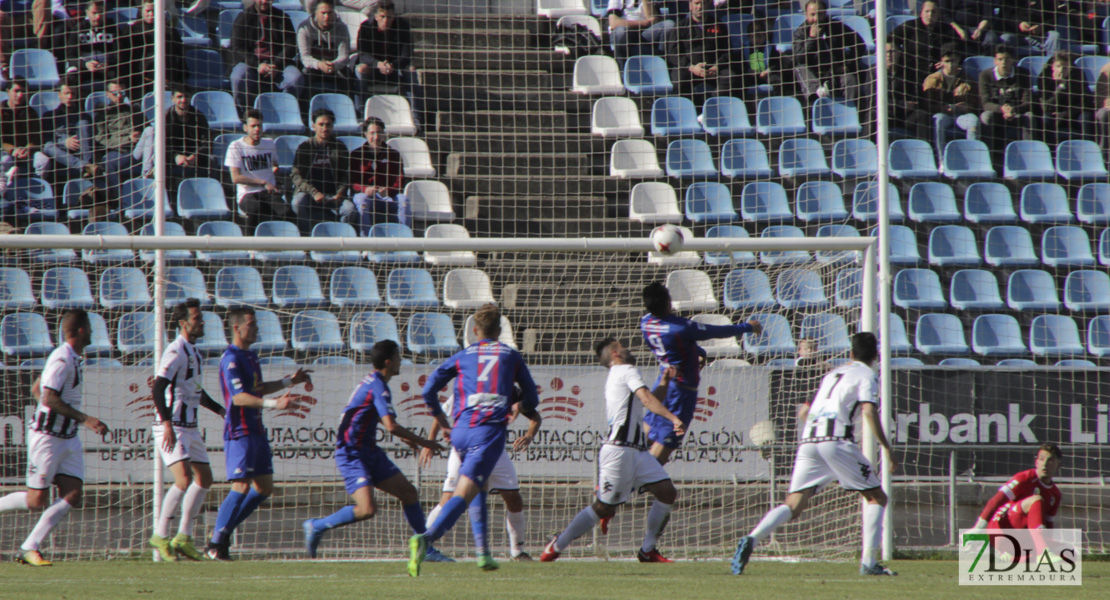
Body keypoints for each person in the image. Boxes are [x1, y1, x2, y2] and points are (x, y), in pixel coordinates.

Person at [731, 332, 898, 577]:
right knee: (876, 498)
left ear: (850, 354)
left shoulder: (832, 374)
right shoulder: (868, 375)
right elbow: (869, 412)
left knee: (794, 504)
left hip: (809, 440)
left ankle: (752, 538)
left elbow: (803, 412)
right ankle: (869, 563)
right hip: (836, 441)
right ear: (875, 356)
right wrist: (886, 447)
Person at [407, 304, 543, 576]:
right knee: (462, 495)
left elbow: (428, 390)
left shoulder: (463, 355)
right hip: (487, 432)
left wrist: (443, 422)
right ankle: (425, 540)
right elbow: (533, 399)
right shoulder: (510, 356)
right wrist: (519, 406)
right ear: (501, 330)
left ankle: (484, 554)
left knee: (479, 489)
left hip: (461, 431)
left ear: (474, 331)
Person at [540, 338, 684, 563]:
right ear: (616, 353)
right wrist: (673, 418)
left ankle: (648, 549)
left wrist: (664, 381)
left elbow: (650, 399)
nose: (628, 349)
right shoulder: (626, 369)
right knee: (603, 507)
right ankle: (558, 544)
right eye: (624, 346)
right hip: (619, 451)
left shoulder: (621, 375)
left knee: (667, 492)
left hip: (638, 452)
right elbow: (647, 399)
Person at [302, 339, 444, 558]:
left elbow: (369, 414)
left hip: (368, 450)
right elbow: (391, 425)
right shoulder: (378, 385)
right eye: (398, 357)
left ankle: (426, 549)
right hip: (351, 453)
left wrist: (408, 441)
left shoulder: (374, 382)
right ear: (388, 361)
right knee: (367, 509)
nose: (400, 361)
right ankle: (317, 526)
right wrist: (426, 442)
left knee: (409, 493)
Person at [0, 308, 109, 567]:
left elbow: (36, 388)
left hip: (68, 437)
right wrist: (86, 419)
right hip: (47, 438)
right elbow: (47, 397)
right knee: (35, 501)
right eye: (90, 328)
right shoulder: (62, 359)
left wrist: (67, 420)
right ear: (81, 330)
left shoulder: (71, 358)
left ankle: (30, 546)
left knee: (73, 493)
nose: (93, 332)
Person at [206, 306, 313, 560]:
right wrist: (276, 404)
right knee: (241, 485)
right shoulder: (230, 359)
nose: (256, 328)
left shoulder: (251, 357)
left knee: (264, 487)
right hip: (240, 431)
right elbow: (240, 397)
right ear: (237, 328)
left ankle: (224, 533)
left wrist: (289, 382)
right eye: (252, 324)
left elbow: (258, 389)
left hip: (256, 428)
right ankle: (215, 543)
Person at [639, 281, 760, 465]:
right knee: (655, 463)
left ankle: (614, 480)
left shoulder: (645, 322)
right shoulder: (681, 327)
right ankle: (625, 489)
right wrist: (748, 327)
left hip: (662, 387)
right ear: (668, 302)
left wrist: (699, 353)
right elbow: (716, 331)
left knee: (636, 445)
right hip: (681, 394)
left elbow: (680, 343)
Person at [148, 298, 227, 562]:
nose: (202, 321)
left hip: (190, 427)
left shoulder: (194, 352)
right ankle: (160, 536)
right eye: (197, 318)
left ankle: (183, 537)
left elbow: (195, 391)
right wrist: (167, 423)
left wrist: (221, 411)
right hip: (171, 427)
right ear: (183, 323)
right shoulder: (175, 351)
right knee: (183, 480)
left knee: (205, 478)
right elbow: (158, 387)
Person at [420, 390, 542, 561]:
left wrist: (529, 436)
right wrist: (430, 441)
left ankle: (517, 551)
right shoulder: (468, 384)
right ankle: (423, 545)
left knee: (513, 498)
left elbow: (535, 417)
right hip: (465, 448)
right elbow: (440, 412)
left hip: (494, 448)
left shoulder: (510, 388)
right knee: (448, 498)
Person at [906, 45, 979, 164]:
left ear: (958, 60)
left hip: (961, 115)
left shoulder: (967, 78)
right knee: (938, 120)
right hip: (943, 114)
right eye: (947, 61)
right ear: (941, 62)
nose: (950, 65)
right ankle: (942, 161)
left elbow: (976, 102)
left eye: (953, 61)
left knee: (973, 121)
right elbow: (926, 105)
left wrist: (967, 107)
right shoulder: (933, 79)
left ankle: (973, 161)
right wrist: (942, 108)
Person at [225, 108, 295, 230]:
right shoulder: (236, 147)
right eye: (253, 126)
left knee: (287, 212)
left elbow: (274, 165)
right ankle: (251, 246)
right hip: (247, 194)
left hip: (268, 192)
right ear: (245, 128)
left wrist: (276, 181)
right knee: (256, 209)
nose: (257, 129)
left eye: (260, 126)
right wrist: (263, 182)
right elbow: (235, 178)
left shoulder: (269, 144)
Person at [971, 443, 1063, 535]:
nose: (1045, 463)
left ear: (1058, 465)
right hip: (1001, 527)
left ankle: (1042, 546)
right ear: (1036, 462)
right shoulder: (1025, 478)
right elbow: (995, 501)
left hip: (1023, 535)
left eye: (1050, 460)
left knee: (1065, 548)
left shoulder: (1055, 494)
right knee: (1036, 500)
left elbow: (1048, 524)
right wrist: (978, 528)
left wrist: (1049, 542)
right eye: (1041, 459)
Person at [229, 0, 303, 114]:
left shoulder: (282, 17)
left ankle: (285, 112)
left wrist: (276, 64)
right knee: (238, 77)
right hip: (251, 63)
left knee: (295, 78)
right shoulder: (243, 17)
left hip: (278, 64)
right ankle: (247, 114)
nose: (264, 1)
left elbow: (290, 46)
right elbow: (237, 47)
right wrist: (258, 64)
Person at [291, 108, 352, 235]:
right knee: (297, 202)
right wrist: (314, 193)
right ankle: (305, 241)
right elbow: (296, 176)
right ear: (313, 126)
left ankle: (343, 240)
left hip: (333, 194)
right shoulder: (305, 147)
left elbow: (345, 176)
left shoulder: (340, 147)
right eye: (321, 124)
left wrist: (340, 194)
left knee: (350, 209)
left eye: (328, 124)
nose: (325, 128)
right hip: (310, 194)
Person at [791, 0, 865, 106]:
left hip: (834, 71)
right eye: (812, 15)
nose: (816, 19)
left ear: (825, 13)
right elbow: (799, 59)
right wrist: (811, 39)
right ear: (806, 15)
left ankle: (850, 115)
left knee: (850, 80)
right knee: (799, 68)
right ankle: (819, 93)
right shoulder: (800, 33)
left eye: (820, 14)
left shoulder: (836, 27)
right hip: (813, 74)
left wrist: (847, 65)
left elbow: (860, 44)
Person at [889, 1, 963, 104]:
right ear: (921, 13)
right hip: (912, 75)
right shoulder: (910, 26)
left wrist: (946, 62)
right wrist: (900, 56)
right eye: (927, 11)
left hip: (938, 78)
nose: (930, 15)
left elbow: (958, 48)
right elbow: (890, 39)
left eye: (933, 12)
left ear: (938, 14)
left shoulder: (946, 30)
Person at [664, 0, 734, 107]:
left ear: (709, 5)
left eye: (704, 3)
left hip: (713, 69)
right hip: (690, 68)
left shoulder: (719, 25)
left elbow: (728, 51)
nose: (700, 7)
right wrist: (691, 67)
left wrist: (717, 66)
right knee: (678, 79)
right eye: (697, 3)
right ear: (691, 6)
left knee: (731, 77)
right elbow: (673, 54)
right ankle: (694, 111)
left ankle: (713, 107)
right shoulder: (680, 26)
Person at [37, 77, 100, 183]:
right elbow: (46, 140)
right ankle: (86, 167)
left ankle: (88, 164)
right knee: (48, 146)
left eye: (73, 94)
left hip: (80, 149)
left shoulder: (84, 116)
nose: (70, 97)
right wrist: (64, 142)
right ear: (59, 94)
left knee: (83, 123)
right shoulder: (49, 116)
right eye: (66, 93)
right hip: (59, 151)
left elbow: (90, 139)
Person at [118, 0, 186, 98]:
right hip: (138, 82)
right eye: (148, 11)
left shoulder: (170, 31)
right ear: (141, 11)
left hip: (166, 81)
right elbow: (124, 57)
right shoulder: (131, 30)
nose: (152, 14)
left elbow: (179, 56)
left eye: (154, 10)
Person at [349, 117, 404, 234]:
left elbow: (400, 180)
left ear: (384, 134)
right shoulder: (356, 154)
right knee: (361, 199)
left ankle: (404, 239)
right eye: (372, 133)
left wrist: (388, 190)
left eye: (379, 133)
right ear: (365, 134)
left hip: (386, 196)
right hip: (366, 196)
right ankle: (366, 242)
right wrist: (365, 189)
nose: (376, 137)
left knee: (404, 200)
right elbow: (352, 182)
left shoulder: (393, 154)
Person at [91, 79, 146, 192]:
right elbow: (101, 139)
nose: (120, 96)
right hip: (119, 151)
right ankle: (118, 199)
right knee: (108, 163)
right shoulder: (102, 115)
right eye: (115, 93)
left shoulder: (134, 110)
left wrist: (140, 135)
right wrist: (127, 139)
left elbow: (147, 130)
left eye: (123, 93)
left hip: (139, 149)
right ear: (108, 94)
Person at [978, 44, 1031, 159]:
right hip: (997, 114)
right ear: (995, 61)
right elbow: (985, 103)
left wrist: (1013, 110)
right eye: (1000, 59)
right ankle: (988, 158)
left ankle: (1029, 156)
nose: (1003, 63)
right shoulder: (985, 75)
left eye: (1007, 59)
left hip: (1016, 114)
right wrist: (1002, 109)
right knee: (986, 116)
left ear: (1012, 60)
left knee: (1029, 116)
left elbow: (1027, 102)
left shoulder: (1023, 73)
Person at [297, 0, 355, 102]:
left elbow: (344, 56)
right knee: (304, 75)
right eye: (323, 13)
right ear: (316, 12)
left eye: (329, 13)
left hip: (334, 67)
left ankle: (349, 109)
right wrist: (319, 64)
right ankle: (306, 112)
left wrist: (333, 65)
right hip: (313, 68)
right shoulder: (304, 28)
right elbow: (305, 57)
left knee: (349, 77)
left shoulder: (342, 28)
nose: (327, 17)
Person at [1029, 51, 1090, 146]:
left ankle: (1088, 148)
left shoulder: (1078, 75)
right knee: (1046, 118)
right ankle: (1050, 152)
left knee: (1086, 117)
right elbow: (1046, 107)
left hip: (1073, 113)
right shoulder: (1044, 77)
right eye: (1058, 66)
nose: (1061, 70)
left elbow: (1087, 102)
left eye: (1065, 67)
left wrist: (1065, 114)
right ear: (1052, 66)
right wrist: (1061, 87)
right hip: (1053, 113)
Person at [62, 0, 120, 96]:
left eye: (101, 13)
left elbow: (120, 54)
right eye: (94, 13)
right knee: (70, 78)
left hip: (106, 68)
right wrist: (85, 64)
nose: (98, 16)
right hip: (84, 68)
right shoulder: (78, 29)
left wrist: (109, 64)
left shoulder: (113, 29)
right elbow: (70, 56)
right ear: (87, 12)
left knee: (120, 74)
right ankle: (75, 105)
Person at [355, 0, 413, 95]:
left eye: (389, 17)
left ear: (393, 17)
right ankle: (360, 108)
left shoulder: (403, 26)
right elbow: (362, 54)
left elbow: (407, 54)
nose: (385, 21)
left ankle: (415, 108)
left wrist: (393, 65)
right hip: (373, 67)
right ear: (376, 16)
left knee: (410, 70)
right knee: (360, 69)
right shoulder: (366, 27)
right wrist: (377, 64)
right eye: (382, 17)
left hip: (393, 67)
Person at [164, 85, 213, 188]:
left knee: (213, 160)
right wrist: (176, 156)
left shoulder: (199, 116)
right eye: (180, 96)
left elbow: (207, 143)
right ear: (172, 98)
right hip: (173, 157)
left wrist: (195, 156)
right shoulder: (165, 117)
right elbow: (162, 145)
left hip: (194, 157)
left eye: (186, 96)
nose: (183, 100)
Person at [606, 0, 673, 63]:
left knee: (669, 25)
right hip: (625, 34)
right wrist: (643, 23)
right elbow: (614, 23)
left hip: (644, 33)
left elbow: (653, 20)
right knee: (620, 31)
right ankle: (622, 71)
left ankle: (661, 64)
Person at [0, 77, 41, 176]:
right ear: (8, 91)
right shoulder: (1, 111)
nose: (20, 95)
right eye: (16, 91)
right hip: (6, 151)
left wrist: (27, 149)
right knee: (5, 161)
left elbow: (36, 138)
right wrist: (12, 149)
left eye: (23, 91)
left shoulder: (31, 113)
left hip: (26, 151)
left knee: (42, 161)